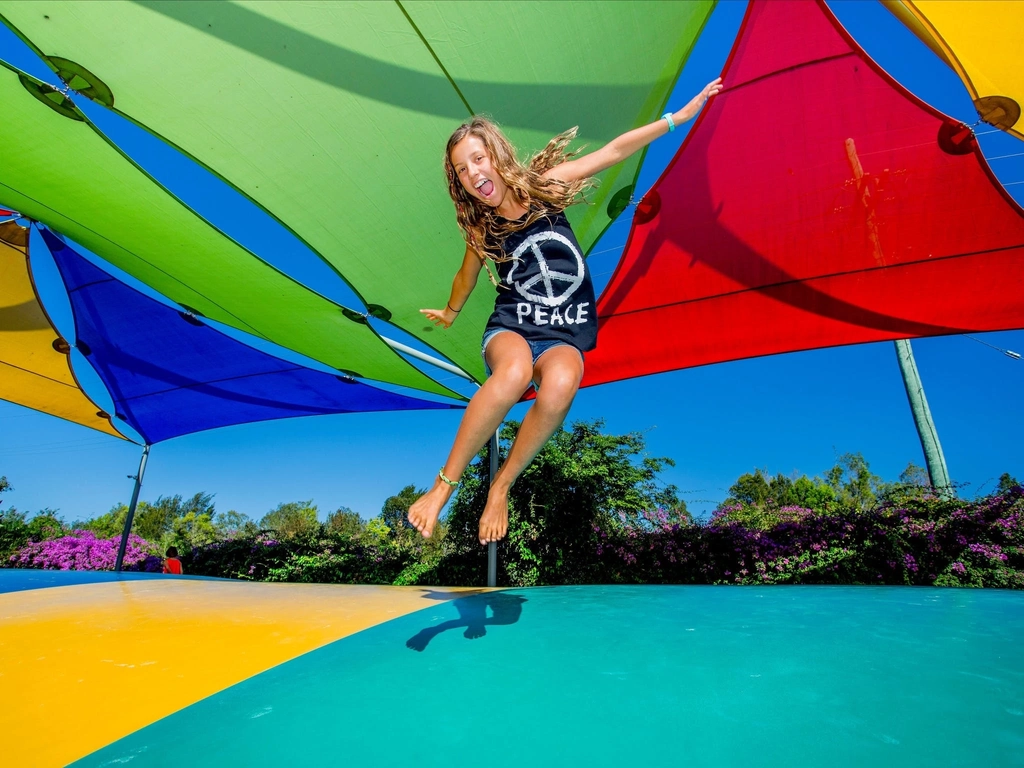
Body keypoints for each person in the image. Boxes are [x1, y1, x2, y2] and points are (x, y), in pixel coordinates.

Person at [408, 78, 723, 546]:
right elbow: (467, 276)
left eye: (478, 159)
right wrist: (452, 312)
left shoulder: (545, 187)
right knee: (513, 374)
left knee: (560, 386)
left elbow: (614, 151)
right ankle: (441, 487)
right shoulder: (481, 229)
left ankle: (502, 487)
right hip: (512, 326)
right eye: (461, 170)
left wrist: (679, 116)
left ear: (496, 155)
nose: (473, 173)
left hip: (562, 332)